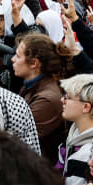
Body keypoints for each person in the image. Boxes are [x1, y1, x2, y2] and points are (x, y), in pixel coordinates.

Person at [12, 33, 69, 164]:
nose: (13, 59)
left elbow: (16, 136)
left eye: (18, 56)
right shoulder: (32, 85)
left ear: (34, 64)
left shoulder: (47, 99)